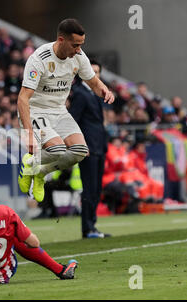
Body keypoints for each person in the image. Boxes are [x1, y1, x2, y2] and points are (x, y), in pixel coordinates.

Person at [17, 18, 114, 203]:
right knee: (57, 150)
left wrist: (105, 91)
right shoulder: (39, 59)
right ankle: (28, 163)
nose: (78, 49)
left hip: (59, 111)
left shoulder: (79, 56)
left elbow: (93, 82)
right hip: (36, 110)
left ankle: (39, 173)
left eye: (81, 45)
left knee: (79, 151)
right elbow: (23, 98)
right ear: (61, 40)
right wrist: (28, 133)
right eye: (75, 45)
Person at [68, 60, 111, 238]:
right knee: (89, 188)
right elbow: (73, 121)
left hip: (99, 147)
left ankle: (92, 225)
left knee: (96, 188)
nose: (96, 75)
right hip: (88, 148)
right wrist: (79, 144)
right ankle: (87, 228)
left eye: (98, 72)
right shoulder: (80, 93)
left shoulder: (94, 94)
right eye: (92, 71)